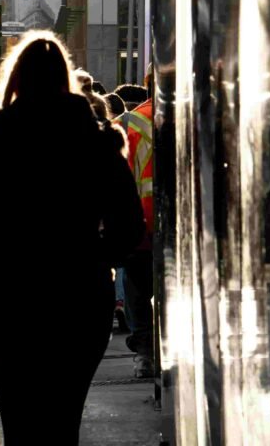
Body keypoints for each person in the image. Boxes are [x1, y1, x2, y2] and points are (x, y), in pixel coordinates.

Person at [0, 31, 144, 445]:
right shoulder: (97, 143)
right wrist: (93, 255)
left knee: (19, 418)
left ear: (15, 80)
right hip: (79, 294)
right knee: (64, 418)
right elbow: (129, 225)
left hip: (8, 291)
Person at [123, 79, 155, 378]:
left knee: (139, 289)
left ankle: (145, 351)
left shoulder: (135, 120)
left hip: (141, 218)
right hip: (178, 222)